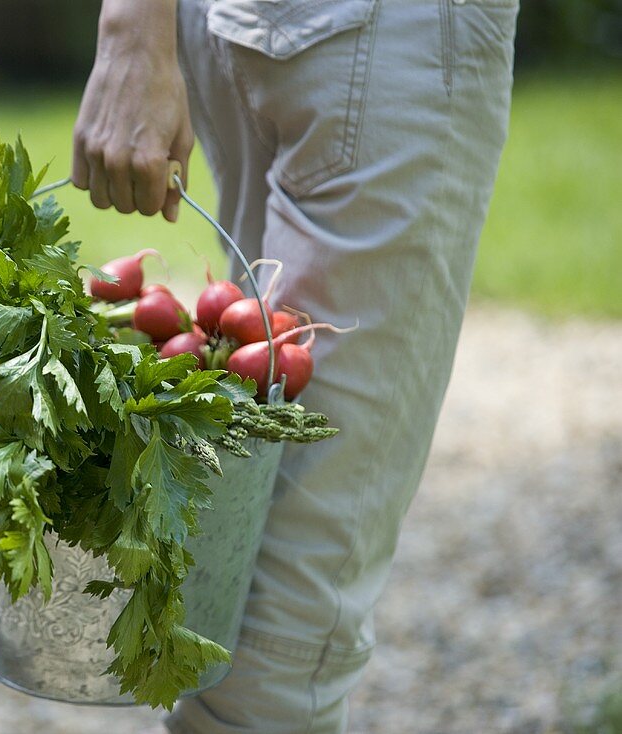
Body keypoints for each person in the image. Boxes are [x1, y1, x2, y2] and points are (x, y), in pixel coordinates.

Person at [71, 1, 519, 732]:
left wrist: (138, 28)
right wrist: (129, 31)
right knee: (286, 623)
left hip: (256, 26)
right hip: (373, 32)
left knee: (246, 516)